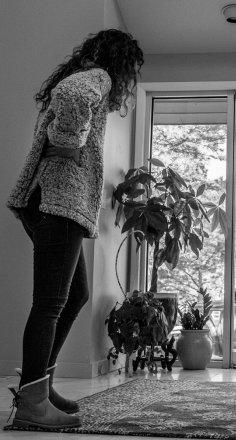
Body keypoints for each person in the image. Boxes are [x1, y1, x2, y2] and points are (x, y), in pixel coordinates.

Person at [6, 29, 144, 430]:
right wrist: (72, 140)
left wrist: (69, 142)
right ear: (119, 63)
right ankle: (32, 403)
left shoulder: (85, 73)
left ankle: (41, 386)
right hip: (56, 203)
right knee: (50, 303)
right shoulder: (98, 76)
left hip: (50, 204)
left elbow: (66, 99)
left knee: (75, 294)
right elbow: (72, 99)